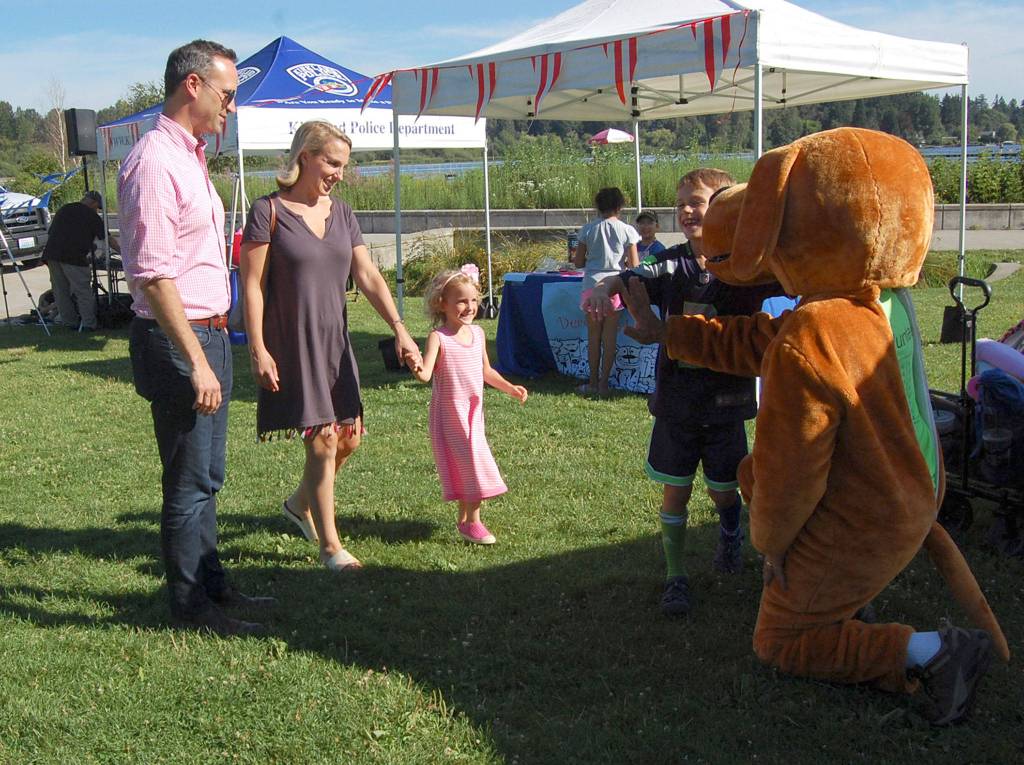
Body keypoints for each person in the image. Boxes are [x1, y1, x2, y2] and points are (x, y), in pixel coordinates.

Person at [120, 39, 272, 636]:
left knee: (209, 476)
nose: (231, 106)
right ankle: (189, 607)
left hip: (209, 335)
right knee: (187, 482)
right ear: (193, 86)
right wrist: (196, 361)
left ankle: (213, 585)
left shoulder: (190, 156)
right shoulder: (155, 160)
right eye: (227, 94)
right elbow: (153, 275)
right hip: (180, 340)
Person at [585, 169, 782, 617]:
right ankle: (676, 577)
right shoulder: (671, 263)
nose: (688, 211)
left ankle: (730, 532)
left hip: (727, 404)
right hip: (676, 402)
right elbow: (633, 274)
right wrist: (605, 285)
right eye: (681, 205)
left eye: (698, 201)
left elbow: (794, 277)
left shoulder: (748, 268)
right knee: (674, 492)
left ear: (728, 206)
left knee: (724, 492)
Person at [240, 120, 422, 572]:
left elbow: (368, 276)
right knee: (321, 440)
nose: (338, 173)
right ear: (305, 156)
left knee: (348, 438)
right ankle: (330, 547)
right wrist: (258, 348)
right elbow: (253, 285)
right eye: (331, 162)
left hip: (334, 342)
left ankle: (299, 503)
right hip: (293, 341)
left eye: (343, 165)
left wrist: (400, 327)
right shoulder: (268, 211)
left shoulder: (342, 214)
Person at [407, 269, 528, 544]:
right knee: (474, 464)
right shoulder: (439, 338)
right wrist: (415, 365)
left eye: (474, 300)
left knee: (468, 464)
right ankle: (473, 522)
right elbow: (426, 374)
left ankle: (464, 520)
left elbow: (486, 371)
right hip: (451, 415)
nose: (469, 307)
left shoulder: (478, 334)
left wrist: (510, 388)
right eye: (461, 301)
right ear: (442, 303)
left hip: (473, 414)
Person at [573, 187, 640, 396]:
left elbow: (577, 262)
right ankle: (604, 384)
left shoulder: (588, 229)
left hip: (591, 285)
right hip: (615, 286)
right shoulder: (627, 230)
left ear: (598, 206)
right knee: (610, 337)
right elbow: (635, 264)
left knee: (594, 337)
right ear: (620, 206)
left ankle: (592, 382)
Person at [41, 190, 119, 332]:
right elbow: (108, 239)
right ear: (94, 203)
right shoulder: (91, 216)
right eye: (97, 207)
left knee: (61, 291)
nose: (97, 210)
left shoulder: (64, 209)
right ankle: (89, 324)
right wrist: (123, 253)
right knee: (83, 292)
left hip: (52, 254)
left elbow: (53, 232)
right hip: (73, 257)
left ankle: (69, 322)